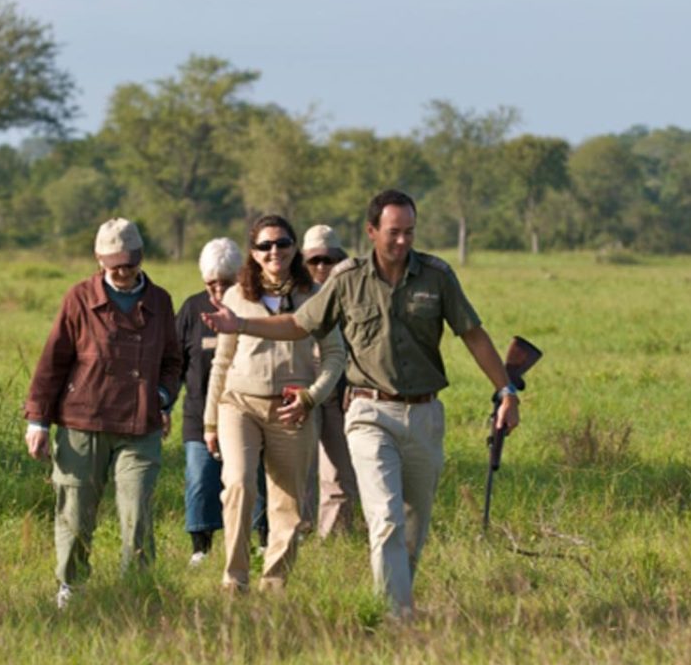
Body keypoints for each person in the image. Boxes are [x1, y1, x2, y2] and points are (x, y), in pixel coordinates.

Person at [203, 190, 520, 617]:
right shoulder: (347, 277)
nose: (403, 242)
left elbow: (473, 334)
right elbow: (300, 324)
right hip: (369, 411)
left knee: (412, 524)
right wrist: (239, 323)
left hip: (425, 413)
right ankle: (394, 616)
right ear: (371, 232)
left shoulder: (437, 276)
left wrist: (506, 391)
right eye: (393, 233)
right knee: (385, 516)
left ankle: (397, 598)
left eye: (410, 232)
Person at [24, 218, 182, 609]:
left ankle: (137, 593)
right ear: (99, 260)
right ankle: (71, 587)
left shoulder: (160, 301)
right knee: (75, 515)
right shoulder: (77, 298)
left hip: (140, 424)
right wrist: (38, 420)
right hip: (83, 423)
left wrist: (162, 397)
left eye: (129, 263)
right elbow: (52, 362)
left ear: (141, 258)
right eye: (114, 265)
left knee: (137, 514)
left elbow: (173, 361)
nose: (123, 272)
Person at [203, 215, 346, 593]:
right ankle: (234, 580)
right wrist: (210, 422)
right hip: (239, 403)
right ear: (253, 253)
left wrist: (311, 397)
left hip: (291, 407)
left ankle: (275, 584)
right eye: (265, 246)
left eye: (282, 243)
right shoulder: (237, 296)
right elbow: (221, 360)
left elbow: (335, 356)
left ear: (295, 247)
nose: (274, 252)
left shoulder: (314, 297)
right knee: (238, 484)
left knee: (288, 502)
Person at [175, 237, 241, 566]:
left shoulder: (251, 308)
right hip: (198, 414)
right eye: (211, 284)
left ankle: (259, 539)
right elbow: (175, 364)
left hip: (244, 412)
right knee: (200, 477)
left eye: (226, 284)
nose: (218, 292)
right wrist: (162, 405)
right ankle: (201, 546)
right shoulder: (191, 309)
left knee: (248, 480)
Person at [299, 224, 358, 538]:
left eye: (329, 260)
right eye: (314, 260)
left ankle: (336, 538)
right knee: (302, 469)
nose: (322, 267)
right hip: (302, 390)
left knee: (339, 471)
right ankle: (300, 533)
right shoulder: (292, 295)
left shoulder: (353, 294)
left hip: (339, 391)